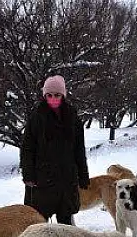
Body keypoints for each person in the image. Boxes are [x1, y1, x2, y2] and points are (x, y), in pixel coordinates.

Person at [20, 75, 89, 225]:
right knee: (40, 224)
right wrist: (28, 175)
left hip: (67, 179)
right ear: (44, 96)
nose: (53, 98)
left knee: (66, 225)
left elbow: (79, 149)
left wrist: (83, 174)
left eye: (57, 95)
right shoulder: (37, 117)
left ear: (63, 95)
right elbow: (27, 148)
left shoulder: (72, 118)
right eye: (49, 95)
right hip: (42, 179)